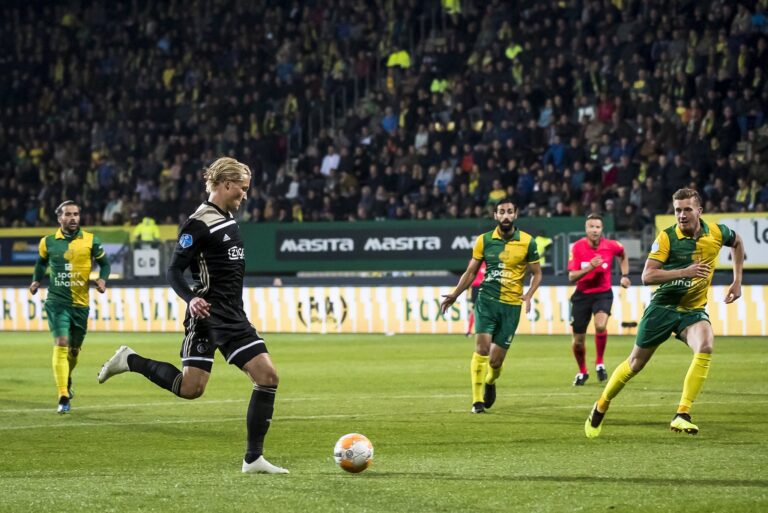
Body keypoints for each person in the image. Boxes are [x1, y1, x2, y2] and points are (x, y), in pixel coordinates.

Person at [97, 157, 288, 474]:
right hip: (208, 315)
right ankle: (130, 360)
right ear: (226, 184)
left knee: (262, 378)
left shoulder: (226, 217)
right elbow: (173, 271)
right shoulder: (198, 223)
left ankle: (253, 459)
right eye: (242, 189)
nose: (245, 195)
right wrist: (191, 299)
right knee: (196, 388)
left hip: (232, 315)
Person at [585, 188, 744, 438]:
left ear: (699, 211)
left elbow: (737, 242)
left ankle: (682, 414)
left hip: (692, 311)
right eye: (678, 210)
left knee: (705, 345)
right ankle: (601, 404)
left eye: (687, 209)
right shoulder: (667, 237)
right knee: (635, 364)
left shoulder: (716, 232)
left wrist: (737, 281)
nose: (681, 215)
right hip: (662, 309)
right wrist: (685, 272)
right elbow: (647, 276)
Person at [440, 197, 543, 413]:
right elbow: (471, 272)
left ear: (516, 215)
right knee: (482, 348)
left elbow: (537, 274)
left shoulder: (528, 242)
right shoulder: (484, 240)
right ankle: (477, 401)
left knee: (495, 362)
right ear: (495, 215)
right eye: (501, 212)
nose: (506, 216)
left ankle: (490, 380)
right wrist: (455, 294)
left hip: (511, 306)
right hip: (486, 301)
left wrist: (529, 294)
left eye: (509, 212)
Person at [29, 200, 111, 413]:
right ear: (59, 218)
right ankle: (63, 395)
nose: (73, 218)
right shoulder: (48, 242)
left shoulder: (91, 240)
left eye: (76, 214)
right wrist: (36, 280)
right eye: (68, 214)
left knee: (74, 351)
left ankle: (67, 378)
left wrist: (102, 280)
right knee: (61, 342)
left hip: (80, 306)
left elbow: (105, 264)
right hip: (57, 302)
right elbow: (41, 263)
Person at [567, 214, 631, 386]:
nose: (594, 230)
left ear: (602, 229)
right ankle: (582, 372)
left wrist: (625, 275)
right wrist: (590, 267)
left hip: (603, 293)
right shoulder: (577, 247)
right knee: (578, 341)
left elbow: (623, 254)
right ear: (586, 229)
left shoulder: (611, 245)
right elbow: (572, 276)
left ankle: (599, 363)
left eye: (597, 227)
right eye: (591, 227)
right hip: (582, 295)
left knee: (600, 325)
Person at [465, 261, 486, 336]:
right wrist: (467, 287)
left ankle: (482, 331)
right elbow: (469, 274)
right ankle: (469, 331)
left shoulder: (487, 261)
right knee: (474, 310)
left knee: (484, 310)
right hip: (476, 288)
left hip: (484, 287)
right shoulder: (474, 261)